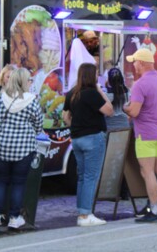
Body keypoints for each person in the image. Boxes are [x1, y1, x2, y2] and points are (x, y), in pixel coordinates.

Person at [123, 48, 157, 223]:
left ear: (142, 63)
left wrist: (125, 107)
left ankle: (155, 209)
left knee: (147, 172)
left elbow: (134, 111)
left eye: (135, 62)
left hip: (146, 134)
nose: (134, 65)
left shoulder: (139, 85)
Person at [0, 68, 43, 229]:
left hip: (2, 148)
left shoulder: (0, 97)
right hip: (23, 149)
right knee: (18, 183)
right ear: (24, 81)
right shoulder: (31, 100)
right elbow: (39, 125)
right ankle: (14, 217)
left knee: (1, 180)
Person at [62, 63, 114, 227]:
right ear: (92, 76)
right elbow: (109, 110)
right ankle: (86, 214)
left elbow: (65, 116)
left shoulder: (72, 93)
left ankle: (81, 212)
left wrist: (76, 126)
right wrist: (100, 91)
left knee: (83, 177)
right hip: (93, 137)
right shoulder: (92, 93)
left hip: (77, 139)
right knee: (91, 177)